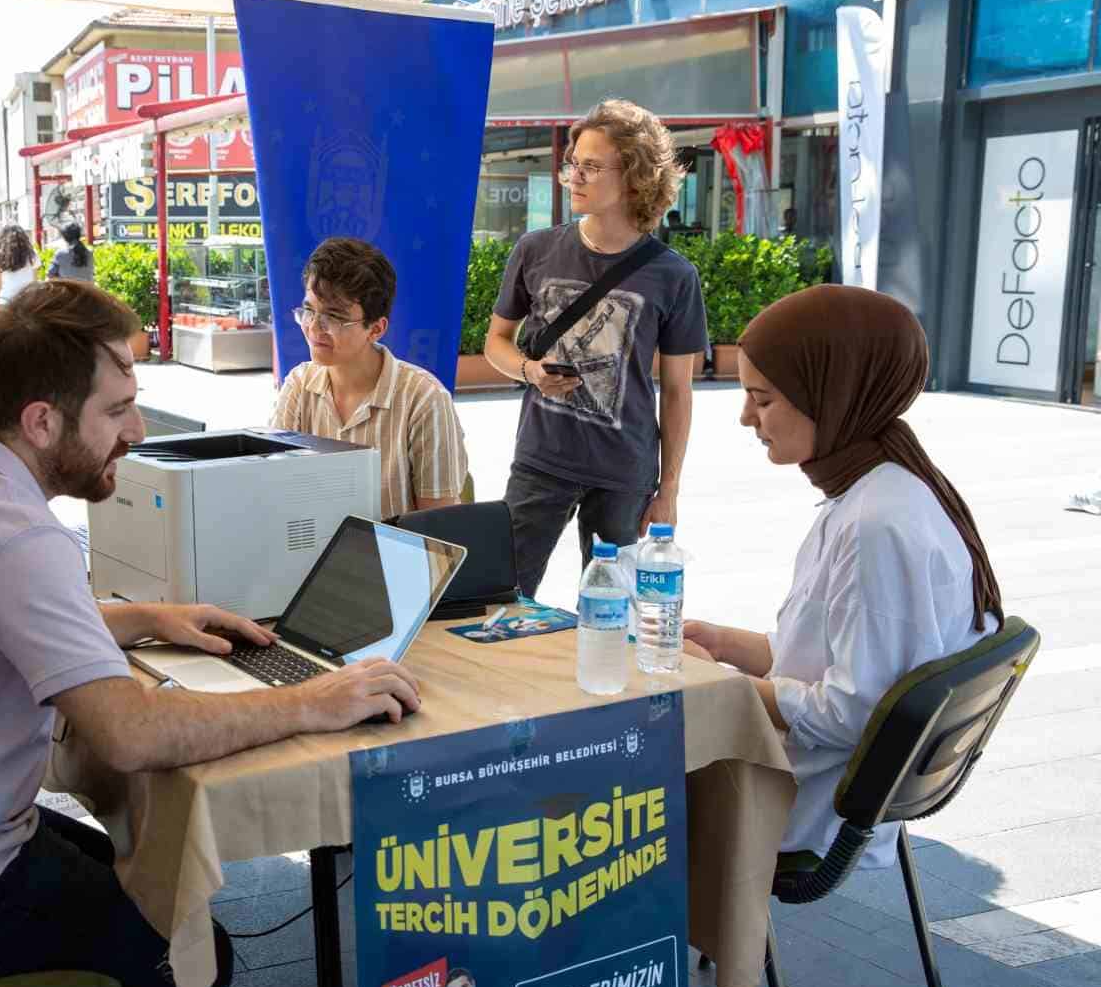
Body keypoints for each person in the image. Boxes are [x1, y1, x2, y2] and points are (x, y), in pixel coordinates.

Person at [0, 280, 420, 987]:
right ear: (41, 421)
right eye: (117, 411)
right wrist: (313, 700)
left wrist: (151, 616)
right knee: (186, 960)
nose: (138, 431)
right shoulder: (17, 535)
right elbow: (131, 735)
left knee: (164, 897)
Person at [683, 285, 1002, 870]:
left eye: (762, 398)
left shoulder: (876, 524)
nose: (745, 417)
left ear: (830, 394)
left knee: (591, 783)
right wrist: (725, 644)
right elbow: (852, 658)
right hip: (815, 776)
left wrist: (716, 686)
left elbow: (855, 710)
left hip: (800, 802)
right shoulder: (889, 487)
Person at [482, 99, 707, 597]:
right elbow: (496, 342)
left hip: (624, 472)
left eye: (590, 166)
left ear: (633, 176)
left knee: (612, 613)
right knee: (501, 597)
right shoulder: (536, 250)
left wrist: (668, 491)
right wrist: (530, 371)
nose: (574, 177)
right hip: (542, 458)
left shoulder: (674, 276)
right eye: (572, 164)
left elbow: (677, 392)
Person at [272, 237, 468, 519]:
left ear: (376, 329)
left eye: (334, 317)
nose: (314, 327)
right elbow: (273, 486)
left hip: (392, 558)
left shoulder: (424, 399)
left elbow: (438, 526)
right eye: (309, 311)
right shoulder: (299, 385)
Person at [0, 224, 37, 308]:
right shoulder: (32, 255)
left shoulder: (0, 256)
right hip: (26, 300)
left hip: (6, 299)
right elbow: (34, 281)